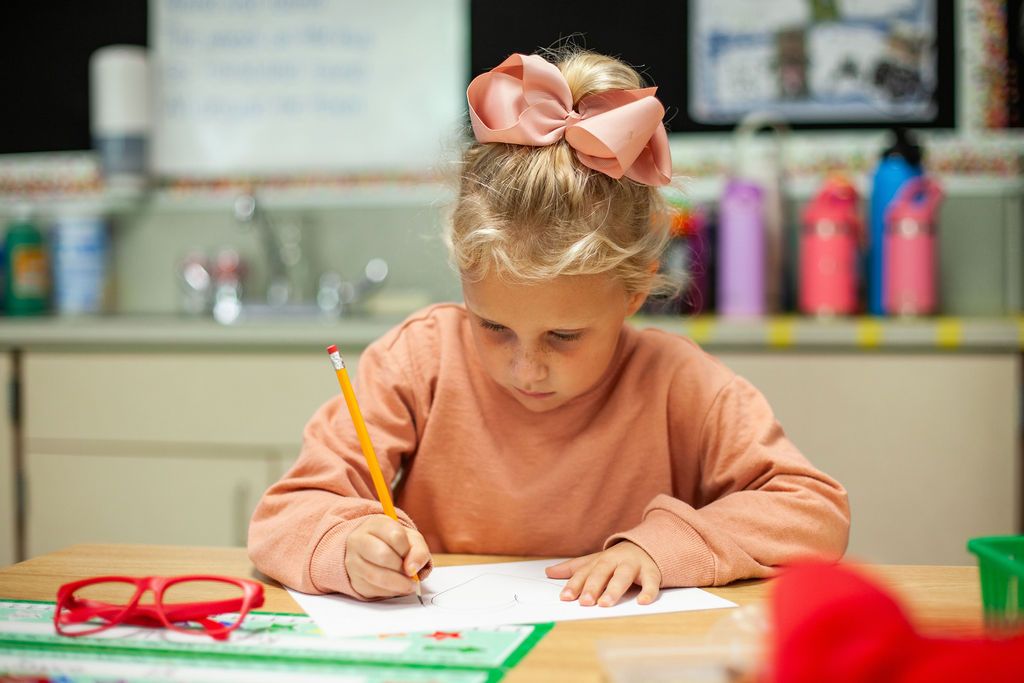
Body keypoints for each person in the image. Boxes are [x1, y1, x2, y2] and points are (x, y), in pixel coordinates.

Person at [248, 48, 850, 607]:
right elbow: (285, 515)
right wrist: (345, 547)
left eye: (564, 336)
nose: (525, 368)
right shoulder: (419, 361)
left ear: (637, 287)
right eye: (493, 326)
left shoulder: (679, 384)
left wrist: (669, 546)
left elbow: (814, 512)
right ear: (463, 277)